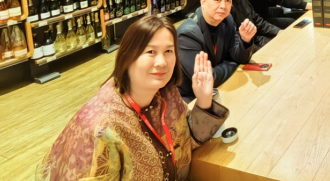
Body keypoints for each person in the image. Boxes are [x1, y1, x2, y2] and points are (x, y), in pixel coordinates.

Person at [37, 16, 229, 181]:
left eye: (168, 51)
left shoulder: (167, 93)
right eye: (150, 52)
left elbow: (187, 142)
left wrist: (203, 100)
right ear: (128, 57)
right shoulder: (103, 127)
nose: (162, 62)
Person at [177, 0, 258, 102]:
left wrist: (245, 40)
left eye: (228, 1)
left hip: (219, 89)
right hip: (191, 98)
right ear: (203, 2)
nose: (223, 6)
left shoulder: (227, 20)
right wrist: (232, 63)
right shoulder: (187, 35)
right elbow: (207, 79)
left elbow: (239, 57)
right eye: (217, 0)